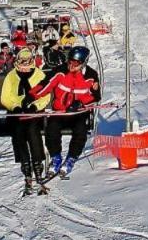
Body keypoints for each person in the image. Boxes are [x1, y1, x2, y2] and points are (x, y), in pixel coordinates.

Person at [30, 45, 98, 178]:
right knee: (51, 129)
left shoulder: (91, 76)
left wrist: (80, 103)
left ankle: (71, 158)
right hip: (60, 112)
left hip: (77, 113)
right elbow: (45, 86)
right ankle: (56, 158)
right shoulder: (60, 71)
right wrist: (29, 98)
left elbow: (95, 96)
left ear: (83, 63)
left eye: (76, 63)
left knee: (80, 131)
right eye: (70, 61)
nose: (72, 65)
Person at [1, 46, 51, 190]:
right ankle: (25, 164)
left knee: (32, 128)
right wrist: (15, 106)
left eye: (27, 65)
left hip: (34, 112)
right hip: (17, 112)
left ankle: (37, 163)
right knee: (18, 130)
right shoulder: (11, 76)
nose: (24, 68)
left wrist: (36, 106)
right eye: (22, 65)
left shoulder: (39, 75)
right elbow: (6, 97)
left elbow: (45, 94)